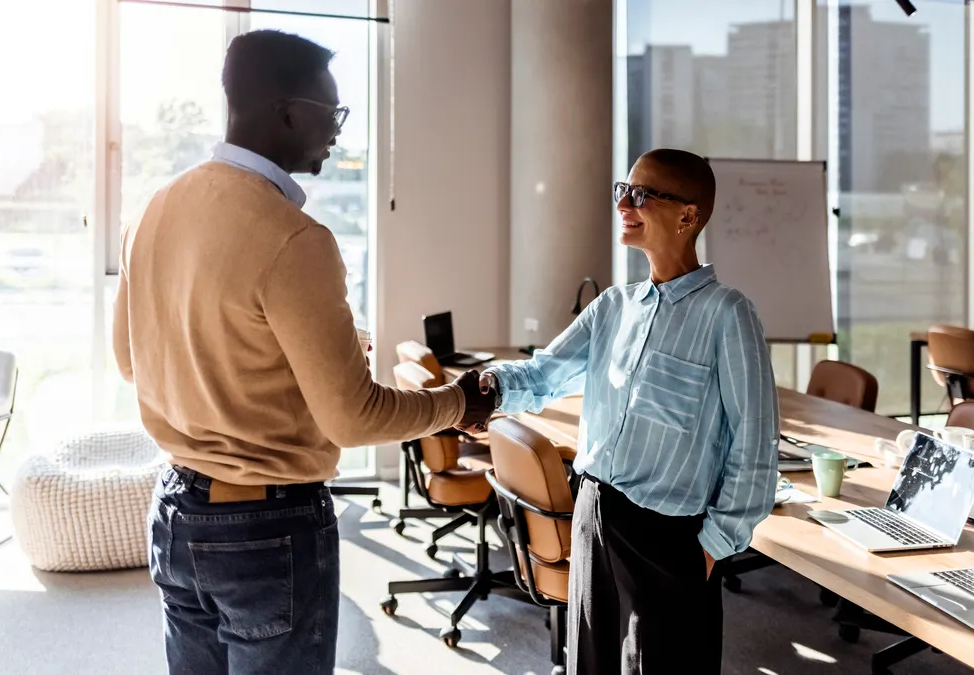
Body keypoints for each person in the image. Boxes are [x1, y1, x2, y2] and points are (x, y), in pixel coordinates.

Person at [112, 30, 495, 675]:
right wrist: (456, 403)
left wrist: (300, 361)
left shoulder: (154, 209)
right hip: (265, 529)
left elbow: (132, 360)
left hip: (177, 513)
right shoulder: (296, 239)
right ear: (287, 111)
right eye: (332, 112)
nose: (339, 131)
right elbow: (354, 419)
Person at [481, 149, 779, 674]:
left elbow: (754, 446)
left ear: (688, 215)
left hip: (670, 540)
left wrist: (710, 548)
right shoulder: (613, 306)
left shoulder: (728, 315)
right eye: (623, 189)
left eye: (641, 194)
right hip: (593, 513)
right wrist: (483, 389)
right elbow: (543, 374)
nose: (623, 202)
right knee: (590, 664)